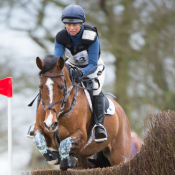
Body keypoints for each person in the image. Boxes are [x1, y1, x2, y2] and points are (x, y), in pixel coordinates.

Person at [54, 4, 107, 142]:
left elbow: (93, 65)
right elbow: (58, 63)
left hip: (93, 67)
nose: (71, 28)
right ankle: (40, 123)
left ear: (82, 23)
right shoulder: (60, 37)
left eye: (75, 25)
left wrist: (80, 73)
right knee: (52, 86)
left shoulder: (91, 36)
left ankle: (98, 125)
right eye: (68, 24)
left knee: (95, 89)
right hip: (71, 66)